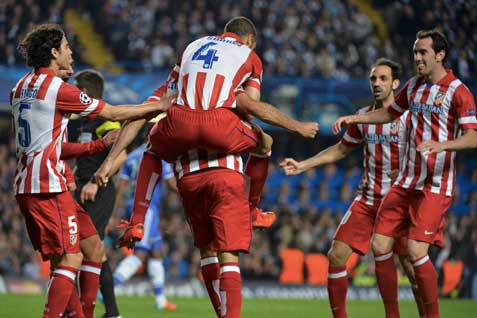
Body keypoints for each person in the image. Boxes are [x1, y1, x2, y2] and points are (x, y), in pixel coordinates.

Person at [97, 17, 317, 318]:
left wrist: (110, 161)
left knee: (153, 151)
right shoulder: (249, 57)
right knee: (264, 143)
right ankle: (253, 210)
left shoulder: (193, 48)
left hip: (186, 165)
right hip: (222, 152)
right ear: (249, 39)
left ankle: (136, 219)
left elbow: (143, 113)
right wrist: (296, 126)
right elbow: (250, 107)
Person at [10, 23, 171, 318]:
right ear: (54, 52)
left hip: (32, 183)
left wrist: (96, 147)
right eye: (68, 47)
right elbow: (112, 113)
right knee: (70, 258)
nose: (71, 53)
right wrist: (157, 106)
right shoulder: (57, 89)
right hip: (48, 186)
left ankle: (82, 313)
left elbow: (49, 146)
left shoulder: (19, 88)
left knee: (93, 249)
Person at [281, 58, 442, 318]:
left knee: (412, 266)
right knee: (336, 256)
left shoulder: (410, 118)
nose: (376, 84)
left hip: (400, 201)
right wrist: (303, 165)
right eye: (373, 79)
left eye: (383, 79)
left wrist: (407, 171)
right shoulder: (364, 117)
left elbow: (430, 151)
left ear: (396, 84)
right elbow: (342, 149)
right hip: (368, 200)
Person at [333, 29, 477, 318]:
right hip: (405, 182)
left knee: (414, 251)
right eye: (415, 52)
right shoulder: (413, 87)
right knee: (379, 244)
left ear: (440, 55)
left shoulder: (458, 91)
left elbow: (473, 137)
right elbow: (388, 114)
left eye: (423, 52)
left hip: (434, 186)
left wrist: (443, 144)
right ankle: (392, 315)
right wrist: (355, 118)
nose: (418, 58)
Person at [71, 69, 125, 318]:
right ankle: (110, 312)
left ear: (84, 92)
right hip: (81, 188)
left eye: (75, 87)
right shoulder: (85, 122)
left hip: (98, 190)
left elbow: (120, 156)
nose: (72, 91)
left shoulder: (107, 122)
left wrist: (96, 179)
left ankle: (83, 310)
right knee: (87, 249)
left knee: (89, 248)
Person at [113, 143, 177, 311]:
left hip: (134, 205)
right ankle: (109, 288)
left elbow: (121, 187)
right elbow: (171, 183)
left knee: (156, 252)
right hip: (146, 207)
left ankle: (161, 300)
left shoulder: (132, 156)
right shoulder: (159, 154)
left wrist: (115, 212)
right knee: (141, 253)